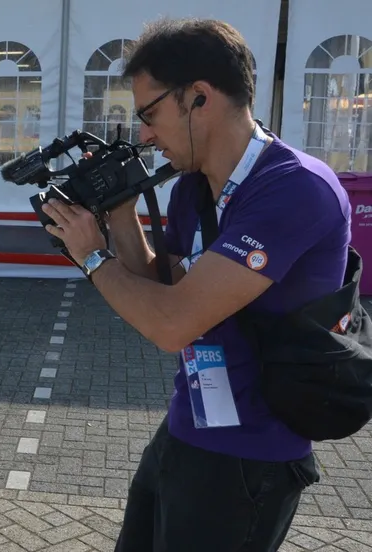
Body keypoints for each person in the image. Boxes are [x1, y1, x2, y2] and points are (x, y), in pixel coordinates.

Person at [41, 18, 349, 551]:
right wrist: (119, 214)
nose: (144, 135)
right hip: (187, 428)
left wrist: (91, 256)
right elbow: (167, 289)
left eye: (150, 114)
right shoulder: (193, 185)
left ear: (199, 98)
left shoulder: (295, 189)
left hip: (251, 456)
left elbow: (172, 323)